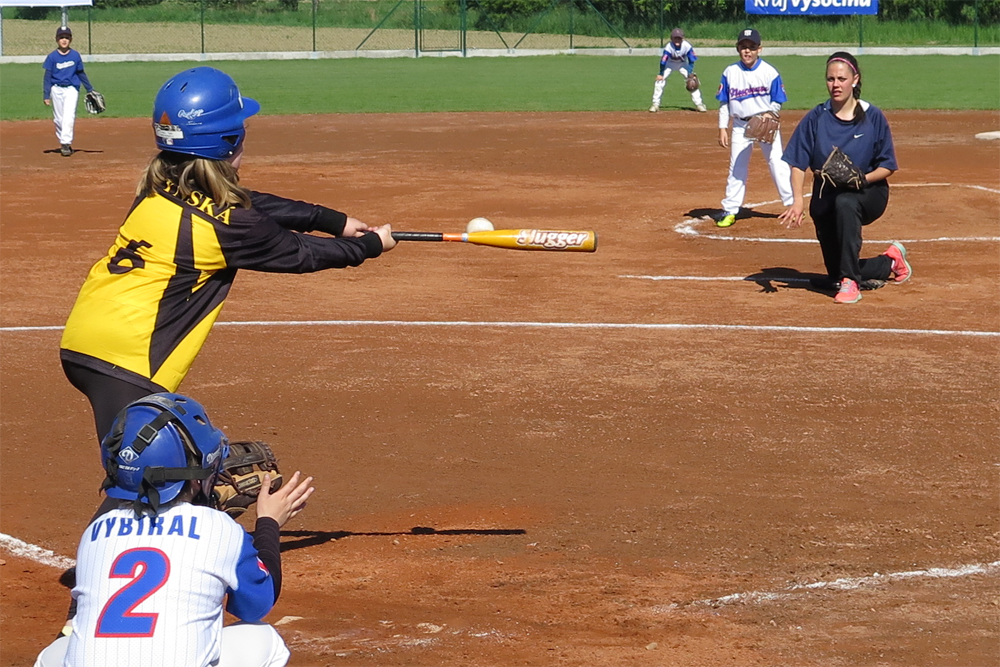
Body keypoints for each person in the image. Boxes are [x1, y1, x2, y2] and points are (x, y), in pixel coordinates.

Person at [59, 66, 397, 446]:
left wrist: (332, 220)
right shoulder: (230, 226)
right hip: (126, 363)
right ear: (229, 139)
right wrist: (369, 246)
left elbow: (247, 204)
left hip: (88, 336)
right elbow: (299, 253)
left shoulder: (158, 184)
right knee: (147, 479)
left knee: (157, 474)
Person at [33, 393, 315, 667]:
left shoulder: (95, 532)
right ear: (192, 476)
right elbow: (255, 605)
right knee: (264, 638)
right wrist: (269, 522)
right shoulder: (220, 528)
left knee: (53, 653)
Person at [777, 52, 909, 304]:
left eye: (841, 78)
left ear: (855, 80)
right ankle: (890, 261)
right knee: (834, 271)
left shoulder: (872, 116)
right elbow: (797, 163)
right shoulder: (816, 117)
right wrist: (797, 201)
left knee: (846, 202)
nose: (835, 85)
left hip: (869, 191)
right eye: (830, 79)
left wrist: (863, 179)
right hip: (827, 193)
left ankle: (851, 282)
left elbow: (888, 165)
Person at [715, 28, 794, 228]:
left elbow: (778, 100)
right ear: (737, 49)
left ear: (760, 49)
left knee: (777, 163)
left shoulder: (769, 72)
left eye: (751, 47)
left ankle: (792, 205)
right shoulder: (730, 72)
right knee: (737, 167)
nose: (747, 51)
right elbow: (724, 102)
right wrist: (722, 127)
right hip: (741, 125)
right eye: (743, 47)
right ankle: (731, 210)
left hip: (766, 123)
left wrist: (770, 114)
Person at [43, 26, 95, 157]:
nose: (64, 40)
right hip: (56, 89)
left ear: (71, 39)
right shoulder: (52, 57)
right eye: (61, 37)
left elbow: (81, 73)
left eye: (66, 37)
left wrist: (90, 89)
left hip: (72, 89)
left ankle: (65, 143)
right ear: (56, 40)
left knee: (68, 116)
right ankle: (63, 141)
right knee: (59, 119)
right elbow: (47, 77)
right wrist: (46, 94)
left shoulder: (75, 55)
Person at [648, 28, 707, 113]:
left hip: (682, 64)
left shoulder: (687, 46)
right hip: (669, 64)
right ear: (671, 38)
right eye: (675, 38)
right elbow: (663, 61)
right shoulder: (669, 47)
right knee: (659, 81)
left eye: (679, 38)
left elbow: (691, 60)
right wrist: (661, 73)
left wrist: (690, 73)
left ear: (682, 38)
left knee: (692, 82)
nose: (677, 40)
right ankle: (655, 104)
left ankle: (699, 104)